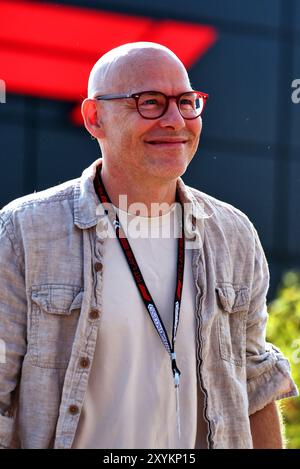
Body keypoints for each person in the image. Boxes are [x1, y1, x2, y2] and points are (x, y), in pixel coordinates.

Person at [0, 42, 298, 450]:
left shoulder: (234, 234)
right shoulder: (25, 232)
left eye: (187, 102)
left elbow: (254, 385)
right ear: (95, 118)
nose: (175, 120)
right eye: (150, 103)